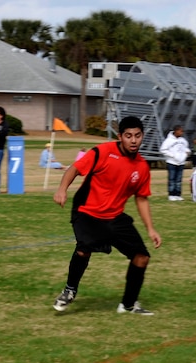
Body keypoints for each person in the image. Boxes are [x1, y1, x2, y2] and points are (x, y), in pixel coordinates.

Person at [52, 116, 161, 314]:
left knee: (141, 258)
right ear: (120, 137)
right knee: (84, 250)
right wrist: (62, 189)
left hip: (114, 216)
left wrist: (151, 229)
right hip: (86, 211)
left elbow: (142, 198)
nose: (134, 140)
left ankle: (128, 305)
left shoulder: (142, 167)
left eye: (137, 136)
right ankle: (69, 290)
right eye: (128, 136)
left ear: (142, 136)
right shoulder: (102, 152)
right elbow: (75, 169)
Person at [159, 125, 189, 201]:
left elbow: (186, 148)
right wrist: (172, 155)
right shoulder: (168, 140)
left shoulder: (183, 140)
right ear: (176, 131)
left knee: (179, 180)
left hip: (181, 162)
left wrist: (187, 153)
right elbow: (163, 150)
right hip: (172, 162)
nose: (182, 133)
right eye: (180, 131)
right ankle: (171, 194)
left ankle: (178, 194)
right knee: (172, 179)